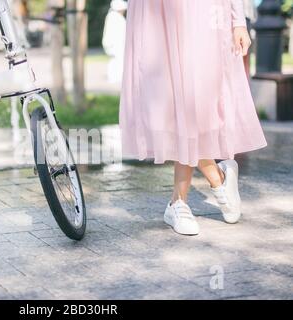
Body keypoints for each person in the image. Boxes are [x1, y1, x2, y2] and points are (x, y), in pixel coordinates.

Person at [120, 0, 267, 236]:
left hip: (202, 11)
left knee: (194, 98)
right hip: (154, 11)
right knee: (164, 102)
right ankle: (216, 178)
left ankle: (178, 203)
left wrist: (238, 21)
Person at [102, 0, 127, 84]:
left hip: (112, 43)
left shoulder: (111, 16)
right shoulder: (116, 17)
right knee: (117, 60)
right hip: (115, 44)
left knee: (116, 60)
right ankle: (115, 77)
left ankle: (115, 77)